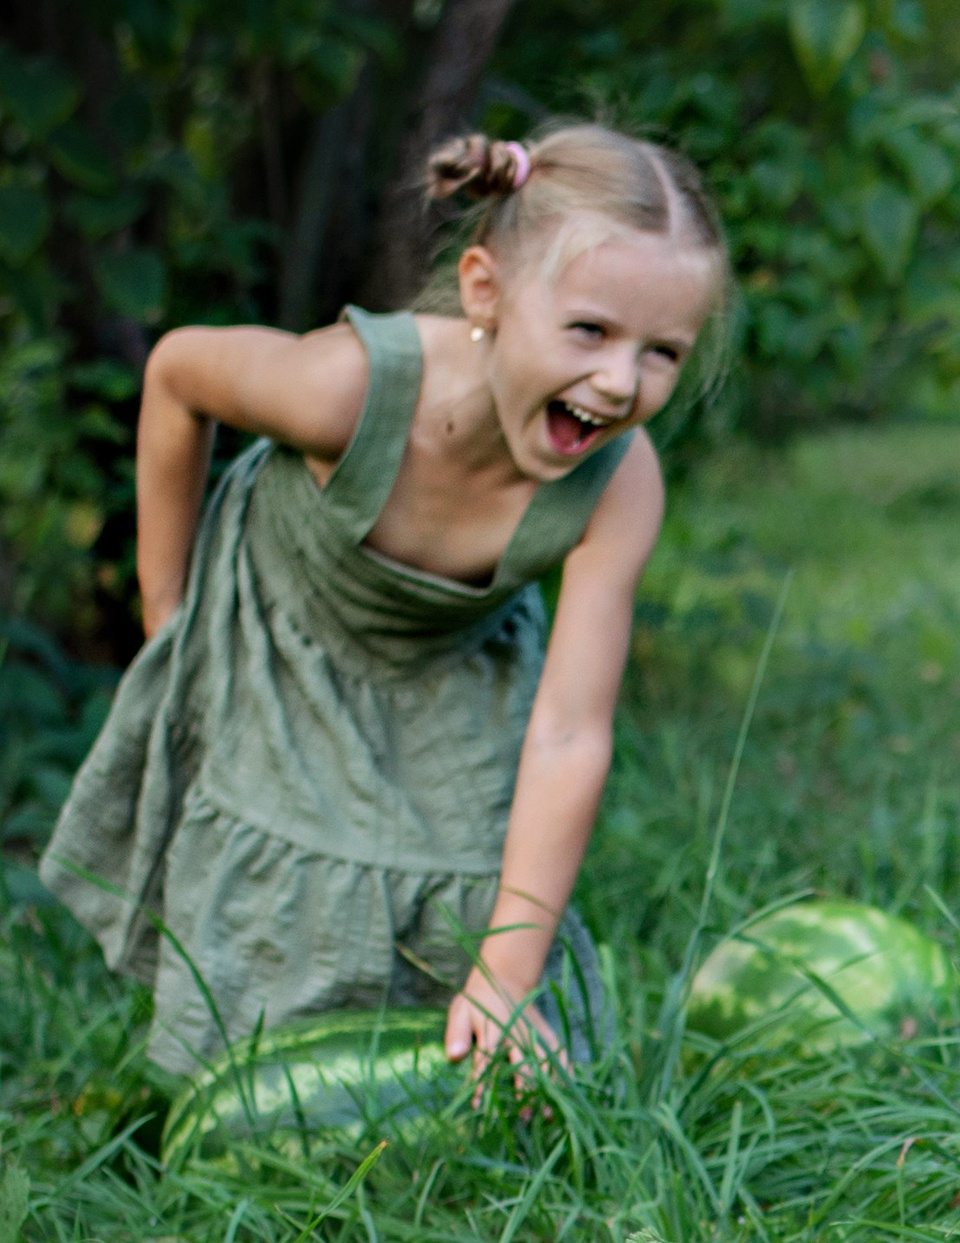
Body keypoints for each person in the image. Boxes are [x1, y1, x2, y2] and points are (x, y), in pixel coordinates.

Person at [42, 123, 731, 1075]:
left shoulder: (618, 483)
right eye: (590, 331)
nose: (619, 382)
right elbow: (176, 373)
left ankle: (456, 1072)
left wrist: (506, 971)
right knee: (278, 863)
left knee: (483, 889)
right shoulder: (346, 390)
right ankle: (241, 1090)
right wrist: (170, 614)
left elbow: (570, 731)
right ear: (484, 292)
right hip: (290, 610)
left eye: (663, 352)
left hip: (451, 649)